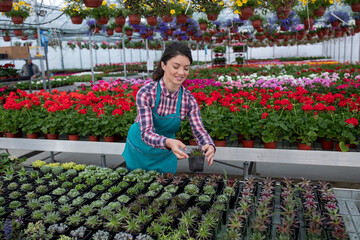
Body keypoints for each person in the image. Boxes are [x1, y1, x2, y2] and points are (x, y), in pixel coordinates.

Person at [123, 42, 215, 174]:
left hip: (165, 153)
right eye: (176, 66)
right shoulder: (147, 92)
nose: (181, 72)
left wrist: (208, 145)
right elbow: (146, 132)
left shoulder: (188, 99)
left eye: (186, 68)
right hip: (140, 149)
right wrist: (167, 142)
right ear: (163, 65)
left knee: (163, 189)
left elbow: (199, 130)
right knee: (135, 187)